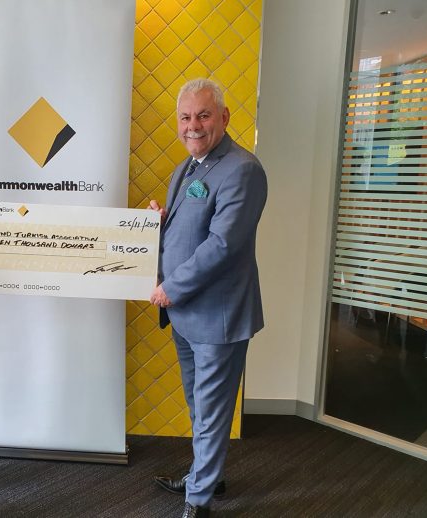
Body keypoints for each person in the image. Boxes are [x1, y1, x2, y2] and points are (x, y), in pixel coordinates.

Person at [148, 78, 267, 518]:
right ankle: (207, 474)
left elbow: (223, 245)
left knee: (213, 411)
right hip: (185, 315)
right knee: (200, 404)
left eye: (202, 115)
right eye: (185, 117)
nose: (192, 126)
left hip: (218, 317)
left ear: (224, 117)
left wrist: (171, 287)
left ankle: (198, 501)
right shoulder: (188, 166)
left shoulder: (242, 169)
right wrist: (158, 224)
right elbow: (190, 229)